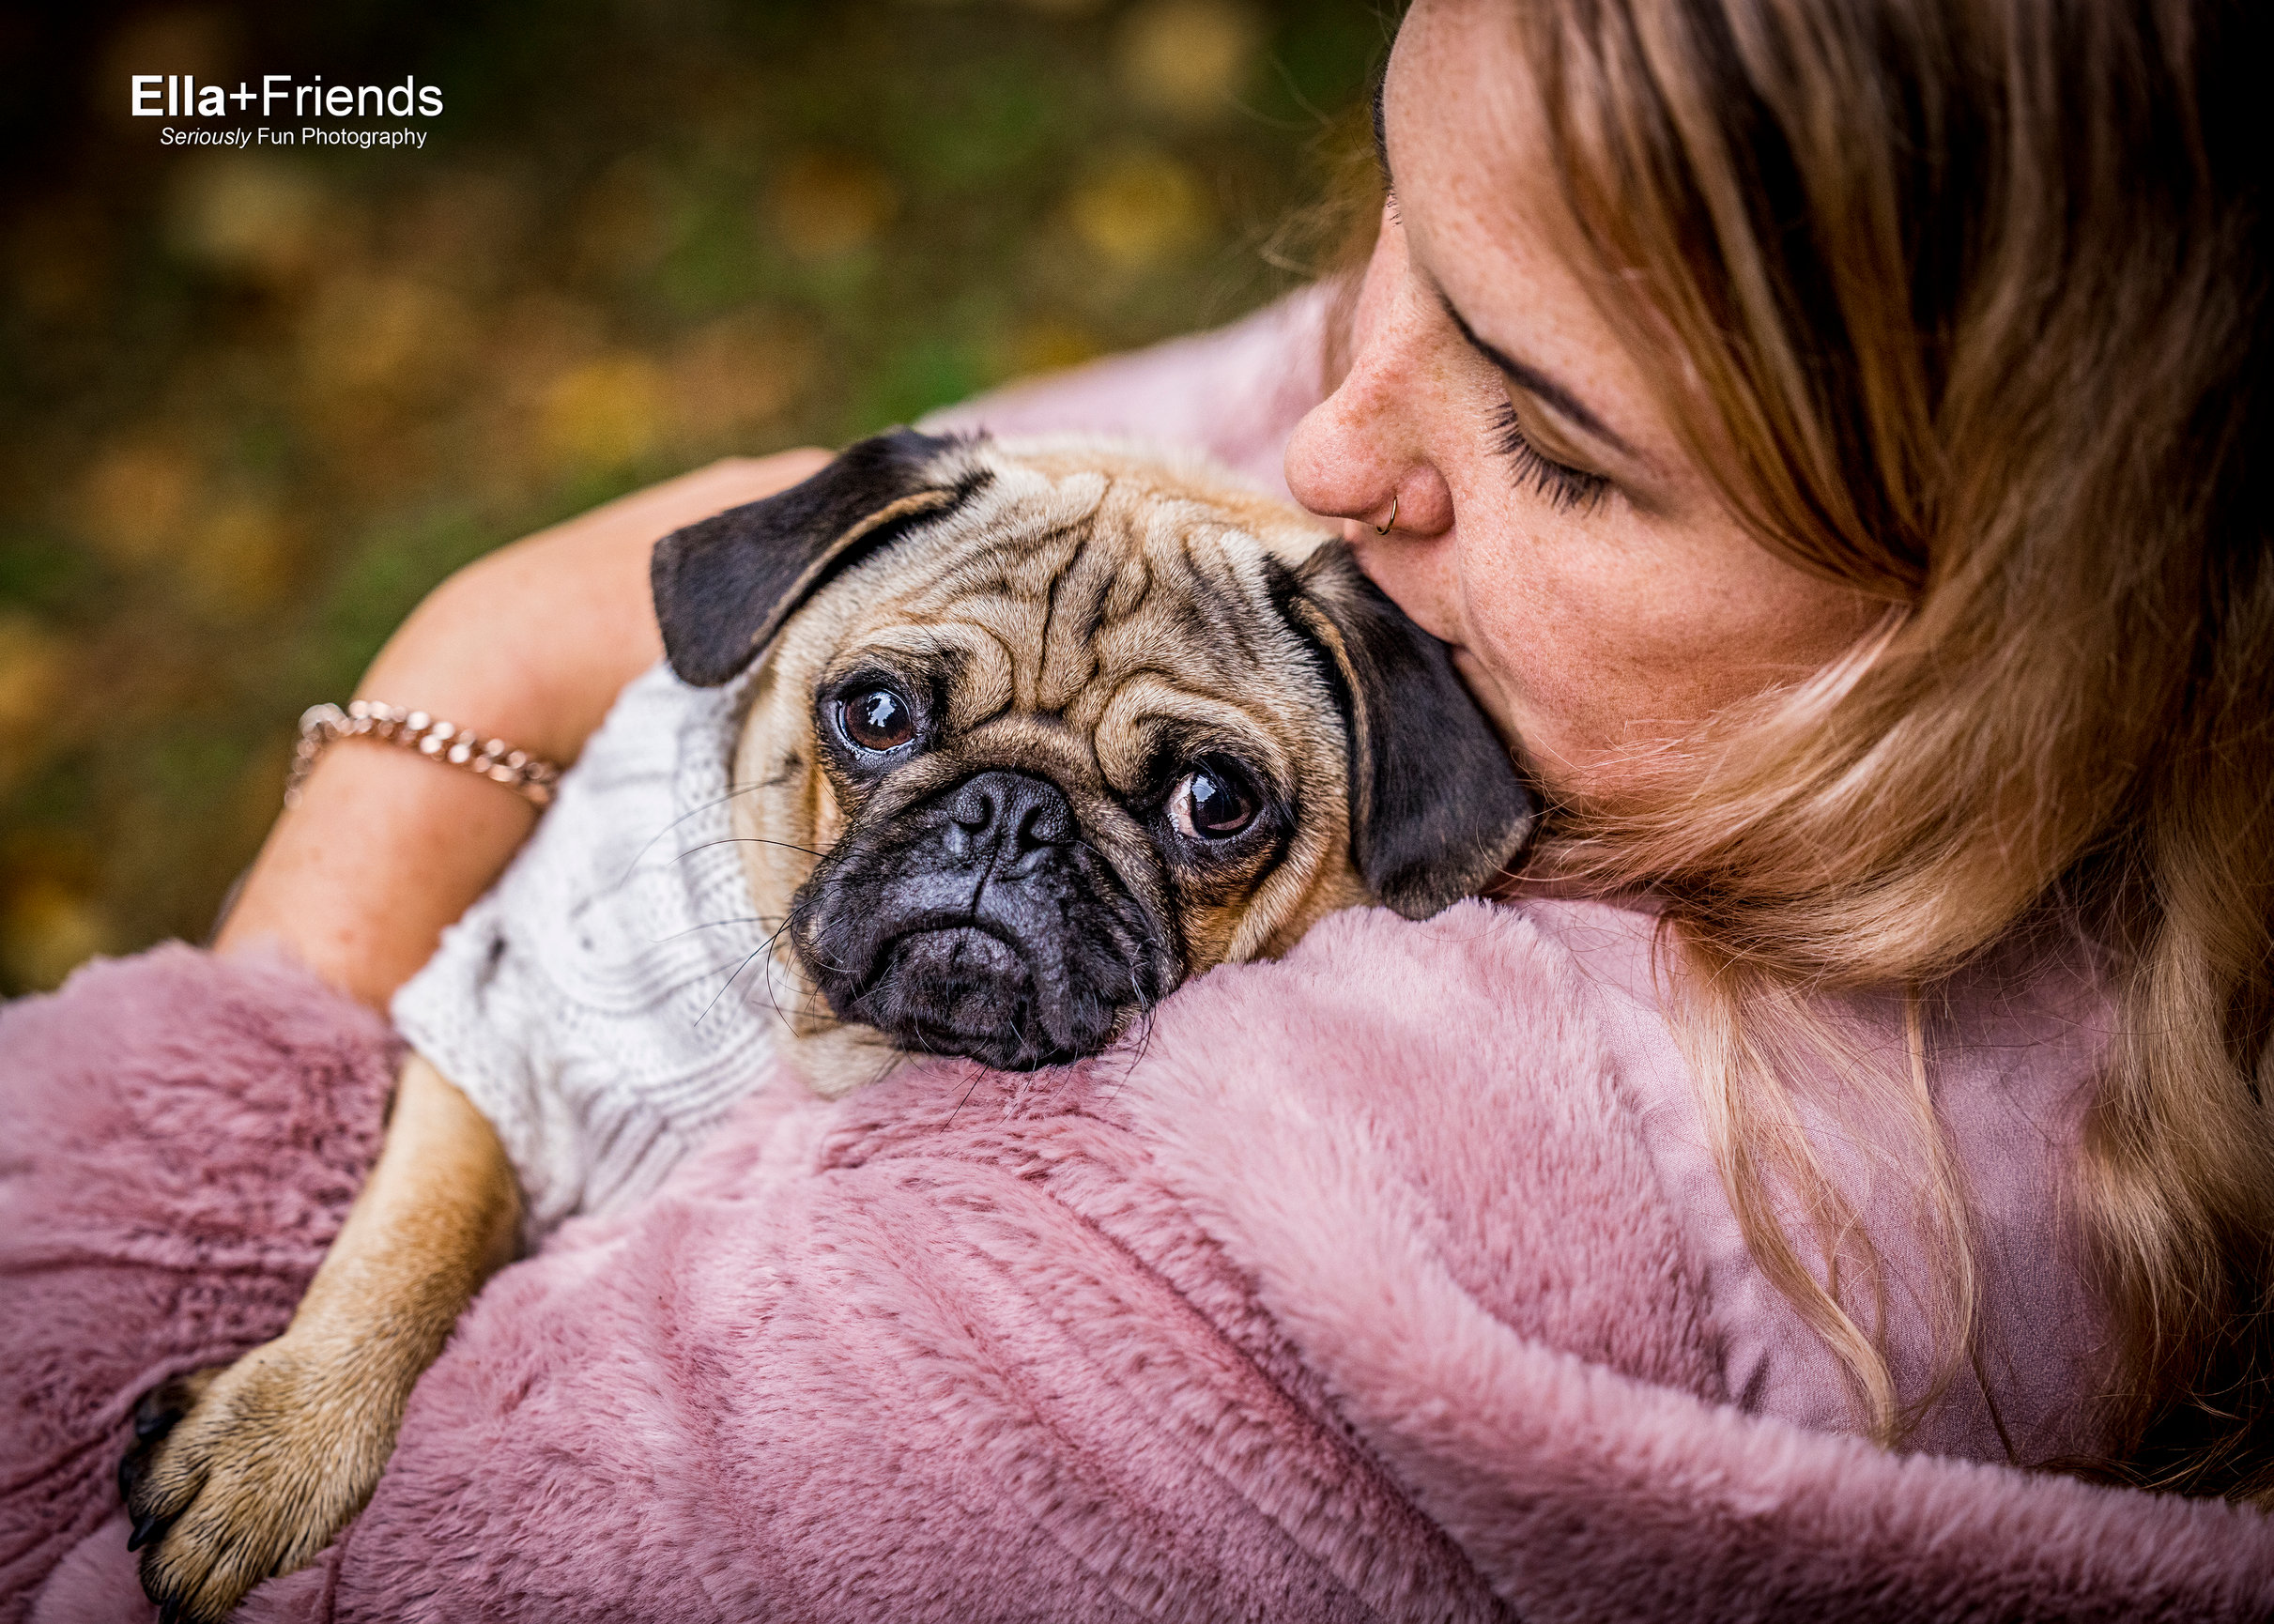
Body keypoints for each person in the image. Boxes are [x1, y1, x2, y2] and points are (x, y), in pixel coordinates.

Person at [213, 0, 2273, 1501]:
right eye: (1392, 238)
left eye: (1552, 444)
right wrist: (470, 669)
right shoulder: (1449, 456)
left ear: (2015, 620)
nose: (1316, 448)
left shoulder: (1336, 1245)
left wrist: (449, 699)